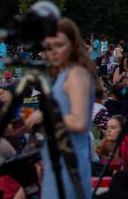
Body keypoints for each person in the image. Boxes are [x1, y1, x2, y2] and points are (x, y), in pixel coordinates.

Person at [25, 18, 95, 199]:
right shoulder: (63, 75)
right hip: (56, 162)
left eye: (59, 45)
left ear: (73, 45)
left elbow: (79, 121)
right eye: (49, 46)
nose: (53, 51)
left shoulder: (76, 74)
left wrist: (43, 116)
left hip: (70, 163)